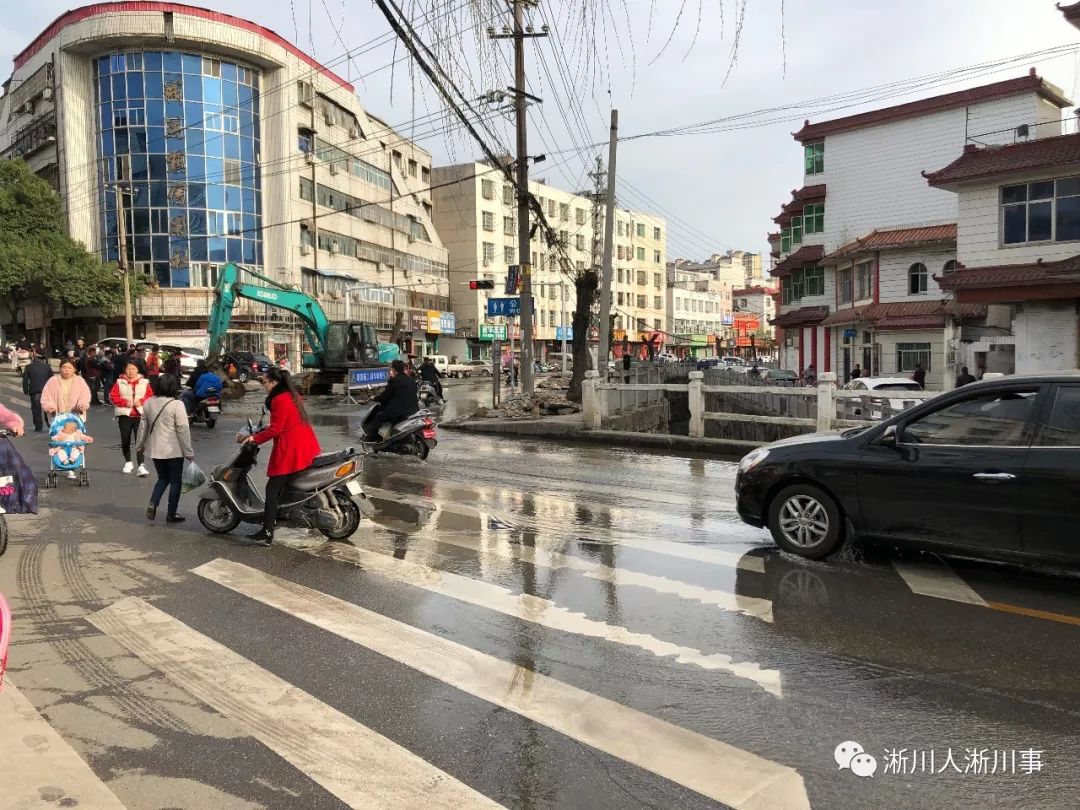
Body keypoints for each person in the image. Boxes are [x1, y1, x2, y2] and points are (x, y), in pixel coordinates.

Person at [238, 368, 320, 546]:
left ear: (274, 383)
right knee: (283, 487)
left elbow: (276, 429)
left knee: (272, 490)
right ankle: (280, 517)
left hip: (291, 449)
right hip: (304, 444)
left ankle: (267, 531)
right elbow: (282, 422)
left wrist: (254, 439)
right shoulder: (291, 394)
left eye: (263, 382)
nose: (263, 385)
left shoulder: (279, 399)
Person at [136, 374, 194, 524]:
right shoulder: (177, 405)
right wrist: (188, 452)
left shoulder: (149, 403)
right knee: (175, 481)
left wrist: (139, 445)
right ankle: (171, 513)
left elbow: (143, 427)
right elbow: (182, 429)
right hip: (173, 450)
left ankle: (153, 503)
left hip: (155, 449)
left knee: (162, 478)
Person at [110, 361, 152, 476]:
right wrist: (124, 402)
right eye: (128, 369)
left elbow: (149, 396)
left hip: (140, 415)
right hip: (125, 415)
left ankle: (141, 465)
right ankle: (128, 462)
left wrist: (141, 401)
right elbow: (113, 396)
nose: (131, 371)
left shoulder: (144, 382)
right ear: (125, 370)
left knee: (140, 441)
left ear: (137, 370)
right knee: (125, 439)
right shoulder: (119, 382)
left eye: (133, 369)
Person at [365, 359, 419, 440]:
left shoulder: (394, 381)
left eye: (391, 369)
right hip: (414, 410)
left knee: (378, 416)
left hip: (399, 411)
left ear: (393, 369)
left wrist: (374, 398)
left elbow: (385, 396)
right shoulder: (411, 380)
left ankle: (372, 438)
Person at [40, 358, 91, 423]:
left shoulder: (80, 381)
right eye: (64, 367)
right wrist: (49, 407)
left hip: (75, 417)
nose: (66, 370)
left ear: (74, 369)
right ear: (60, 368)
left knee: (75, 433)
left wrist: (82, 405)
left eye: (69, 368)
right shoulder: (52, 381)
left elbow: (85, 395)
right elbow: (46, 396)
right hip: (57, 418)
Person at [22, 352, 53, 432]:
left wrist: (26, 390)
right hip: (47, 391)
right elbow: (52, 379)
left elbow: (25, 380)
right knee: (48, 409)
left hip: (35, 391)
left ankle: (38, 427)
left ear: (33, 360)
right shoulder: (47, 367)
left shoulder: (28, 367)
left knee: (36, 409)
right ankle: (50, 424)